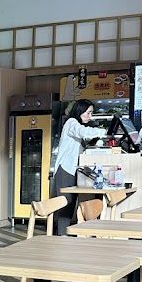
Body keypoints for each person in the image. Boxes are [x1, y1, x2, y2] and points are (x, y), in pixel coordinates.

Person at [52, 98, 99, 235]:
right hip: (65, 169)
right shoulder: (71, 123)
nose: (90, 116)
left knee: (71, 205)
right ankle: (62, 236)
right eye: (88, 113)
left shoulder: (76, 125)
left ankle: (65, 235)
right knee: (66, 205)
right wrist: (102, 131)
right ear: (80, 111)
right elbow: (82, 132)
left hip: (74, 170)